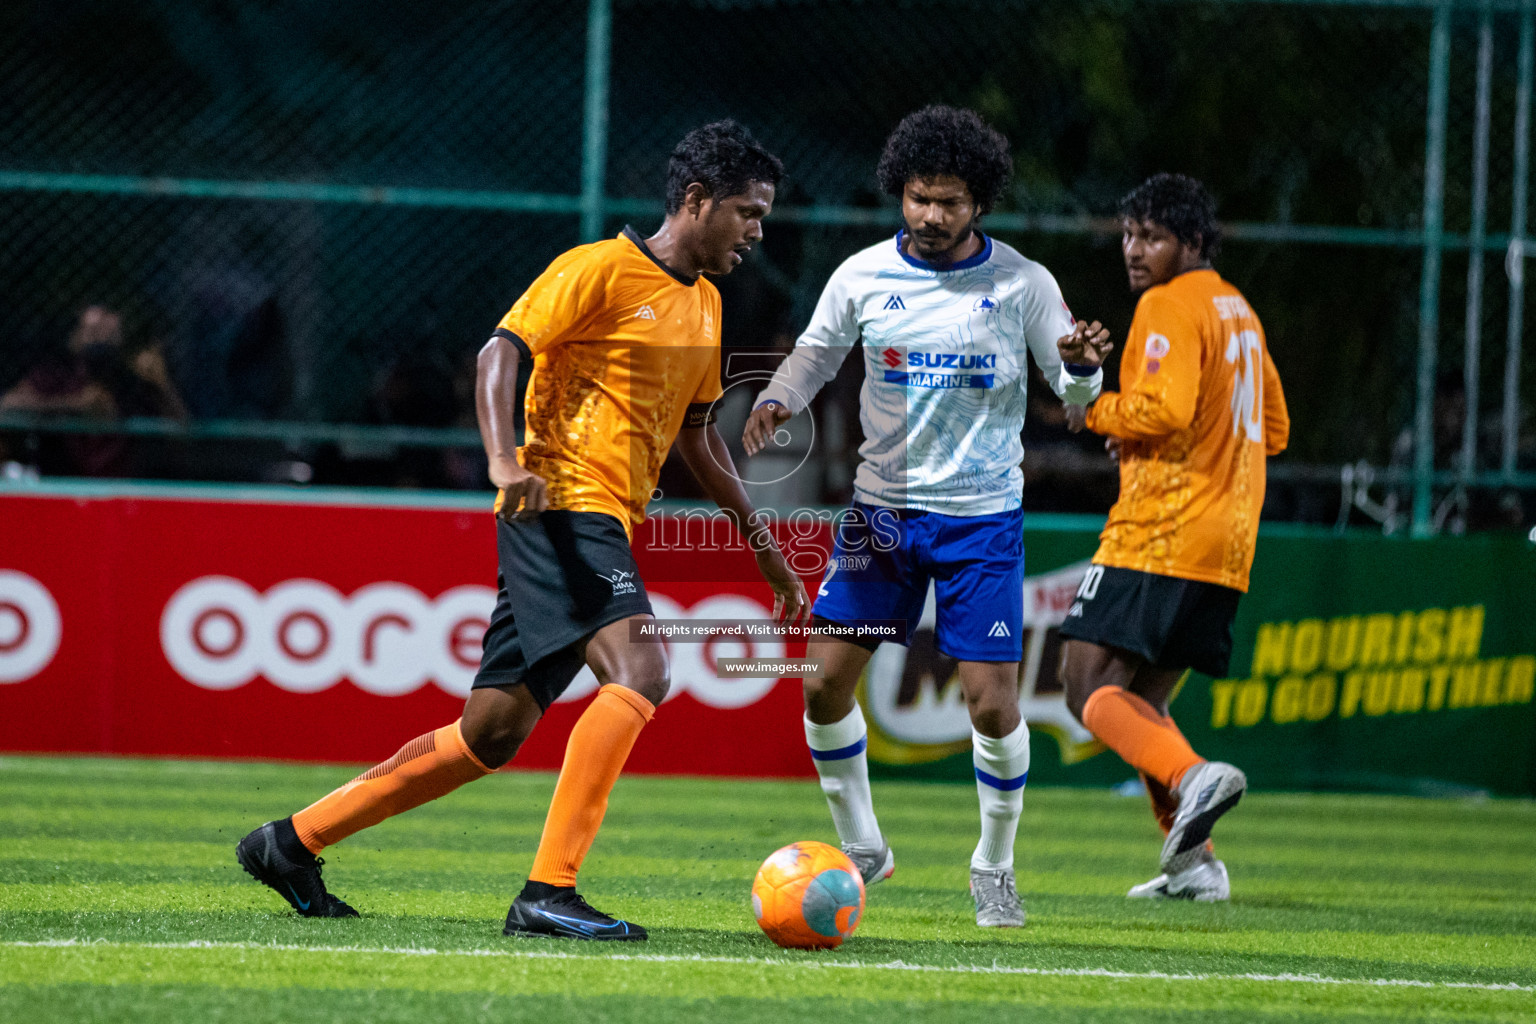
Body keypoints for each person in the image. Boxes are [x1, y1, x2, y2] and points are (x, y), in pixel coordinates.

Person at [236, 121, 807, 940]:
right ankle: (549, 891)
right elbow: (498, 354)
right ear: (695, 201)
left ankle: (288, 843)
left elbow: (695, 434)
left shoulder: (707, 303)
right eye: (748, 213)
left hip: (605, 517)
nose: (758, 232)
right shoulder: (598, 268)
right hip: (561, 503)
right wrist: (504, 463)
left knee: (490, 733)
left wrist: (763, 544)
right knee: (642, 671)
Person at [742, 106, 1112, 928]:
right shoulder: (863, 275)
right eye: (918, 198)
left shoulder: (1023, 284)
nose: (932, 216)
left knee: (989, 704)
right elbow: (817, 352)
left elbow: (1075, 396)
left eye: (948, 202)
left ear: (979, 202)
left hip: (981, 520)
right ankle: (865, 846)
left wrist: (1083, 373)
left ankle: (994, 865)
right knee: (824, 685)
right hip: (882, 515)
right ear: (899, 194)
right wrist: (778, 397)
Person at [1056, 173, 1289, 901]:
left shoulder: (1168, 303)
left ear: (1190, 242)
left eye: (1151, 236)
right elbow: (1274, 428)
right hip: (1229, 543)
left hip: (1162, 533)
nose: (1134, 250)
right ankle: (1195, 866)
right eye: (1128, 234)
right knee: (1143, 709)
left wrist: (1095, 410)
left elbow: (1160, 410)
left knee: (1085, 689)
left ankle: (1194, 778)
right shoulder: (1237, 311)